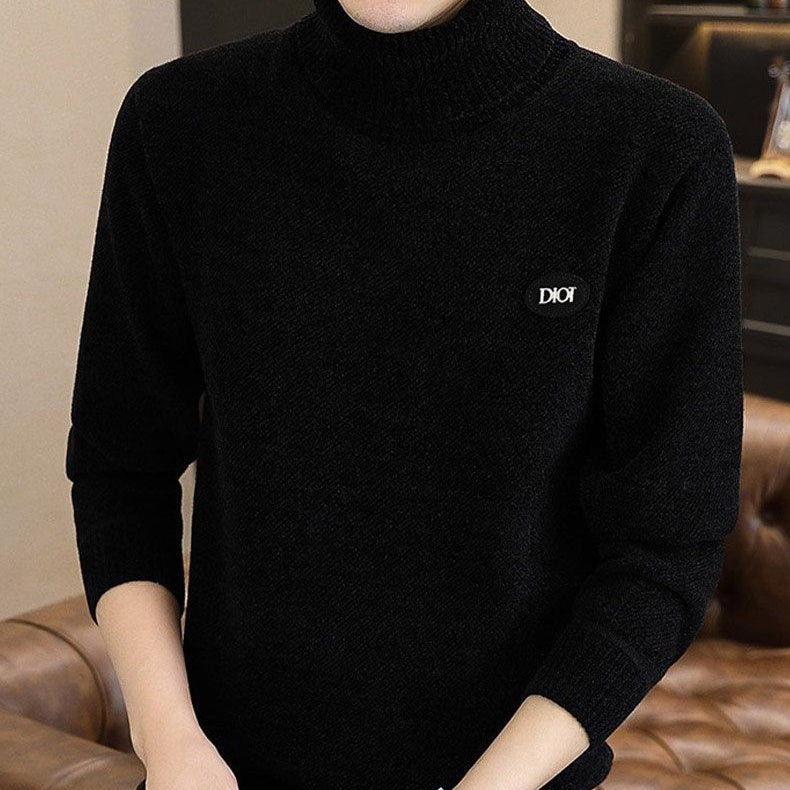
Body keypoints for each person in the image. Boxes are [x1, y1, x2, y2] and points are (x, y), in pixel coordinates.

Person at [64, 0, 743, 789]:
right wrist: (170, 742)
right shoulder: (179, 120)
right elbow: (120, 467)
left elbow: (665, 550)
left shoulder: (656, 148)